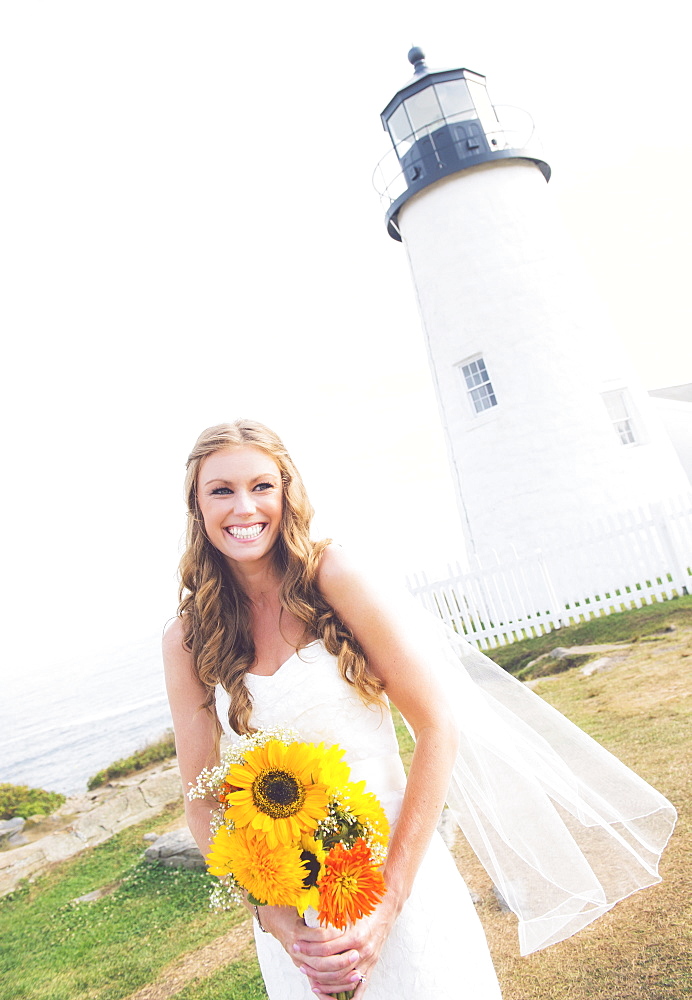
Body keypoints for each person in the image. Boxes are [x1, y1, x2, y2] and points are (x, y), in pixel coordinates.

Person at [164, 420, 675, 999]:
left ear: (286, 492)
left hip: (399, 885)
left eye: (261, 485)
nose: (244, 506)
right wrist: (277, 919)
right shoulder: (187, 639)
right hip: (297, 925)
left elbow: (436, 726)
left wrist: (387, 903)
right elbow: (202, 799)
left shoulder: (334, 577)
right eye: (221, 490)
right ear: (197, 505)